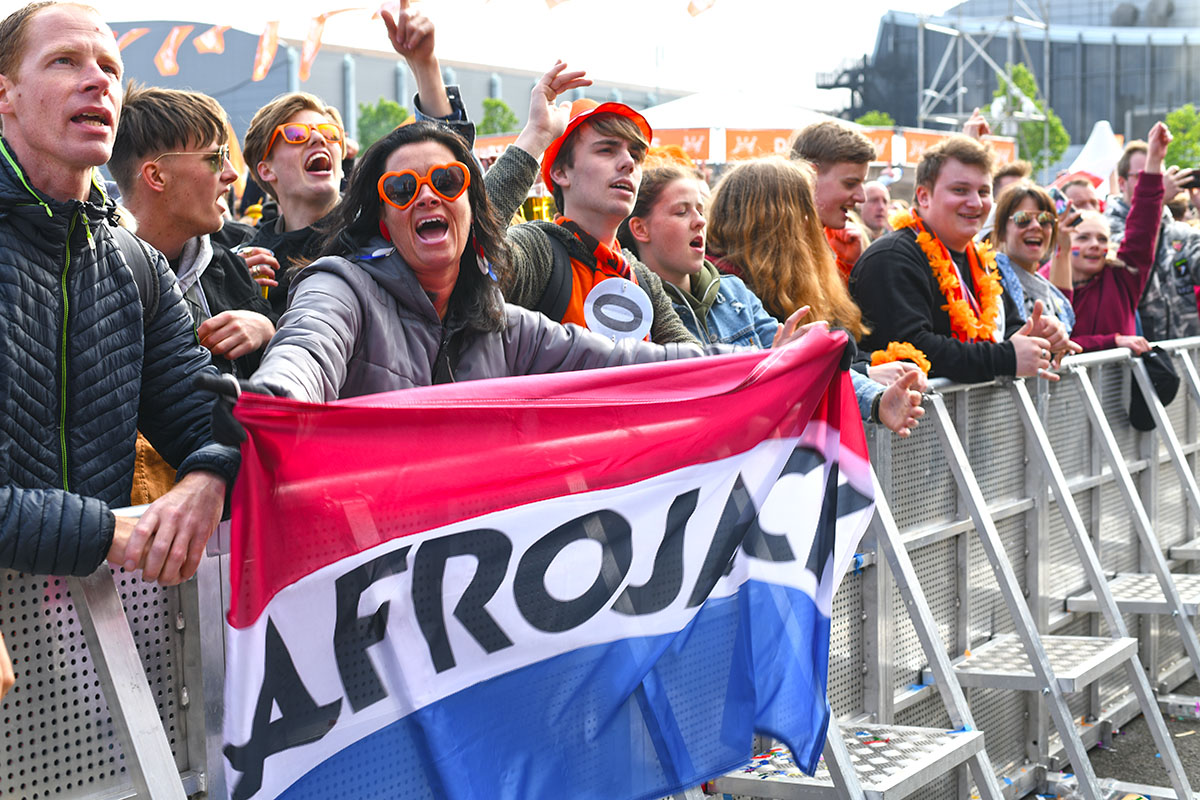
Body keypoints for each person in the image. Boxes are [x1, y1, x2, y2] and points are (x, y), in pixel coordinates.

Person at [235, 122, 815, 407]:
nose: (428, 196)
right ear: (384, 220)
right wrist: (272, 410)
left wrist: (764, 363)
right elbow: (304, 355)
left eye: (447, 181)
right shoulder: (339, 288)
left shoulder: (505, 326)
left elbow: (639, 364)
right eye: (403, 188)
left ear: (471, 206)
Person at [0, 1, 238, 585]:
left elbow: (202, 417)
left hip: (90, 621)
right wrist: (104, 532)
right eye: (64, 61)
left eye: (109, 66)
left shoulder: (137, 264)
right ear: (5, 93)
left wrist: (210, 476)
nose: (97, 80)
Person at [622, 159, 923, 436]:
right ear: (640, 229)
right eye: (681, 212)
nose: (699, 221)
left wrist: (877, 400)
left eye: (701, 210)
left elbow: (805, 368)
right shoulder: (633, 307)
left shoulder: (734, 291)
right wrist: (767, 370)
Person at [241, 0, 471, 315]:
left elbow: (446, 162)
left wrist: (425, 65)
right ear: (266, 170)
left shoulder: (376, 223)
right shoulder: (250, 257)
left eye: (330, 133)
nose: (319, 139)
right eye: (296, 135)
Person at [850, 135, 1070, 383]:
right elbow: (914, 349)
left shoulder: (983, 262)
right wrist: (1005, 357)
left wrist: (1037, 338)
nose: (975, 203)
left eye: (983, 192)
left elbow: (1009, 331)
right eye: (960, 190)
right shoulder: (891, 258)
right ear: (923, 196)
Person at [480, 97, 699, 345]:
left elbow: (692, 358)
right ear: (560, 172)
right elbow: (473, 245)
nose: (629, 163)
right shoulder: (538, 251)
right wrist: (537, 135)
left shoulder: (642, 278)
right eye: (606, 150)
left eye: (636, 155)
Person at [110, 84, 277, 378]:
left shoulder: (233, 266)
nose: (232, 173)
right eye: (215, 158)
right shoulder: (95, 275)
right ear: (156, 176)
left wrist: (267, 331)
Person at [1043, 123, 1170, 353]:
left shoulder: (1122, 276)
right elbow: (1055, 346)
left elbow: (1143, 226)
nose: (1094, 245)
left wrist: (1154, 161)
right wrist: (1114, 341)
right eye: (1083, 238)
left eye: (1102, 239)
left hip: (1121, 379)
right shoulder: (1045, 280)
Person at [1105, 137, 1200, 342]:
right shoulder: (1105, 229)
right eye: (1145, 177)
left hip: (1186, 353)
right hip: (1139, 352)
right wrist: (1154, 201)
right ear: (1122, 183)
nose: (1154, 183)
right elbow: (1133, 266)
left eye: (1158, 177)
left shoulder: (1179, 231)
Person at [790, 121, 876, 278]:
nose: (861, 197)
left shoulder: (835, 242)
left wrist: (849, 266)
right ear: (810, 175)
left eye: (861, 184)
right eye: (850, 184)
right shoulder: (774, 246)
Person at [992, 183, 1076, 333]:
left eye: (1045, 219)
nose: (1036, 226)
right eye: (1023, 218)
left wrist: (1064, 249)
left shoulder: (1051, 293)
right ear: (1002, 231)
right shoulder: (990, 280)